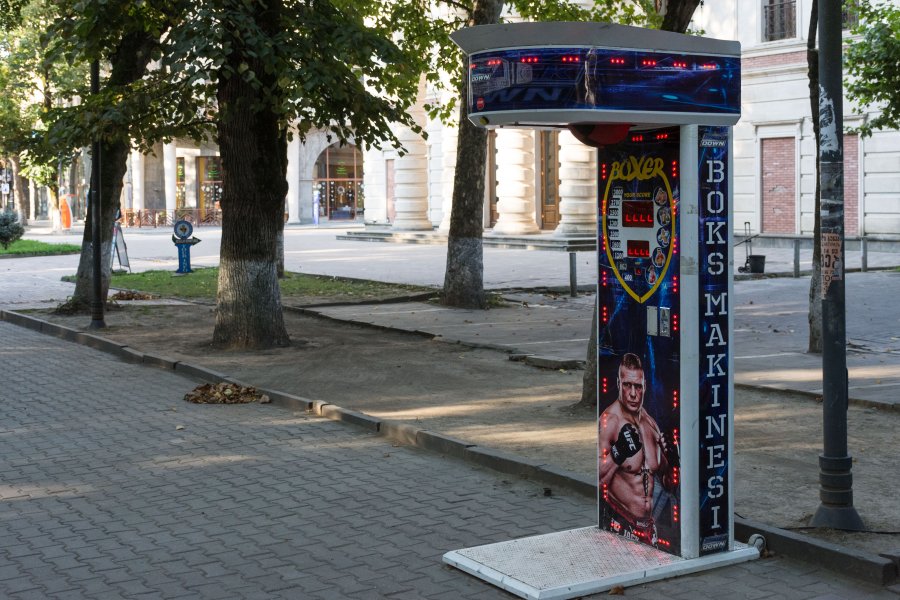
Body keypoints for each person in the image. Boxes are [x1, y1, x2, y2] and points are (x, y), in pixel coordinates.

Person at [599, 353, 677, 546]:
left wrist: (673, 461)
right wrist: (618, 453)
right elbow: (599, 480)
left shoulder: (651, 425)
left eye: (638, 386)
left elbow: (669, 484)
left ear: (644, 387)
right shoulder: (611, 421)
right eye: (627, 385)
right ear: (619, 384)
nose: (633, 393)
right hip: (619, 520)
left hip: (649, 527)